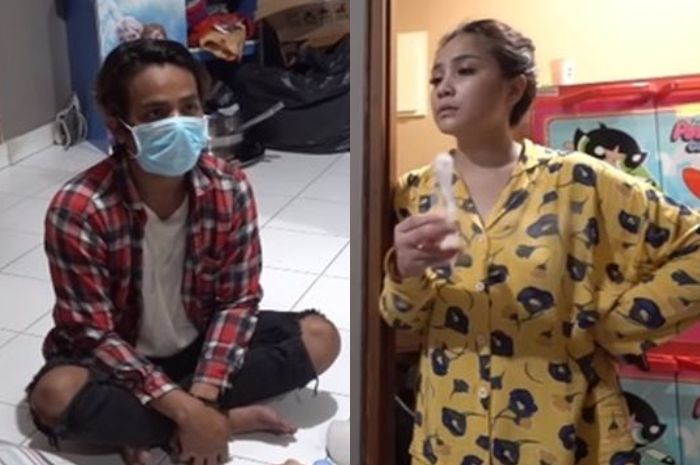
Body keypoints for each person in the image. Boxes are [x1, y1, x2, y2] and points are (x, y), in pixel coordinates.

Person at [379, 18, 700, 465]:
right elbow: (402, 317)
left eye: (465, 70)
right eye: (436, 78)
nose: (444, 87)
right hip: (452, 437)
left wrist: (619, 324)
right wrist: (405, 273)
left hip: (567, 435)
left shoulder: (580, 181)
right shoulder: (412, 193)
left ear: (514, 88)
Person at [26, 39, 340, 465]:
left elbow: (237, 301)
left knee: (321, 338)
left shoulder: (228, 187)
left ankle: (158, 426)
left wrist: (203, 397)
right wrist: (189, 413)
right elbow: (93, 334)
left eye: (189, 108)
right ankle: (221, 421)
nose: (178, 124)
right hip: (117, 359)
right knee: (55, 395)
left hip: (198, 346)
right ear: (119, 126)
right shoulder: (79, 209)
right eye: (155, 114)